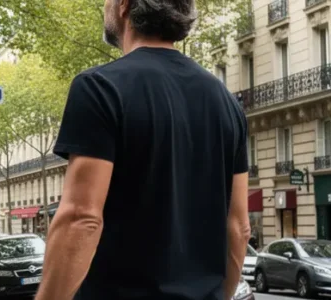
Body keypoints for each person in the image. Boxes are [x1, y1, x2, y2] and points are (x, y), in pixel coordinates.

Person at [34, 1, 251, 300]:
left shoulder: (99, 88)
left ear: (124, 6)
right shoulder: (227, 103)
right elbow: (239, 227)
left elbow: (81, 218)